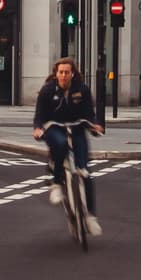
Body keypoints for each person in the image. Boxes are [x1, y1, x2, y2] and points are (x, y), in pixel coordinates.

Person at [33, 57, 104, 235]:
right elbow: (39, 116)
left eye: (67, 72)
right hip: (54, 127)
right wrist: (38, 129)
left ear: (73, 73)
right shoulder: (48, 90)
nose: (64, 75)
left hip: (77, 127)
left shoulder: (82, 90)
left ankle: (90, 217)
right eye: (61, 72)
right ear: (56, 73)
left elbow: (89, 113)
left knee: (84, 171)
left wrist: (95, 125)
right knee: (61, 144)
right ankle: (56, 183)